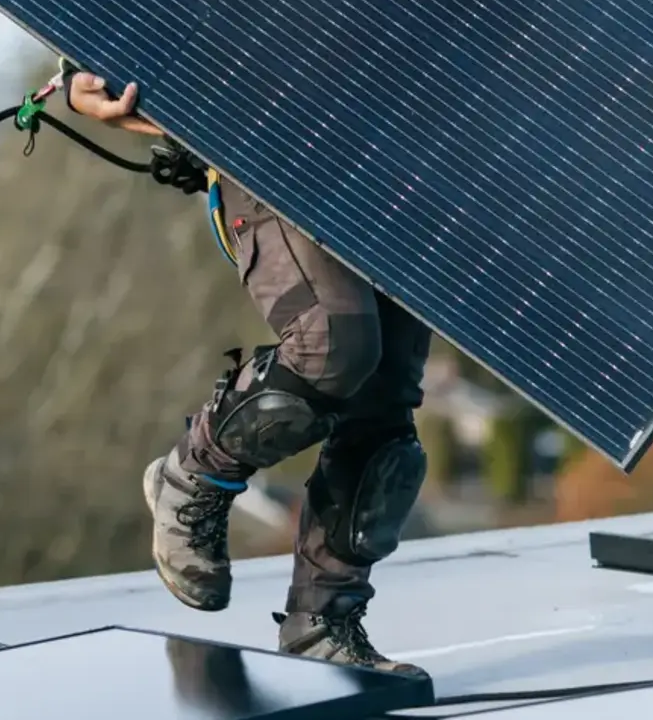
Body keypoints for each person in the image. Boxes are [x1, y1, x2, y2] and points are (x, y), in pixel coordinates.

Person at [62, 67, 432, 680]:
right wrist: (79, 71)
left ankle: (323, 622)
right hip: (270, 136)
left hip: (403, 144)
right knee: (332, 343)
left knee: (386, 401)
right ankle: (196, 476)